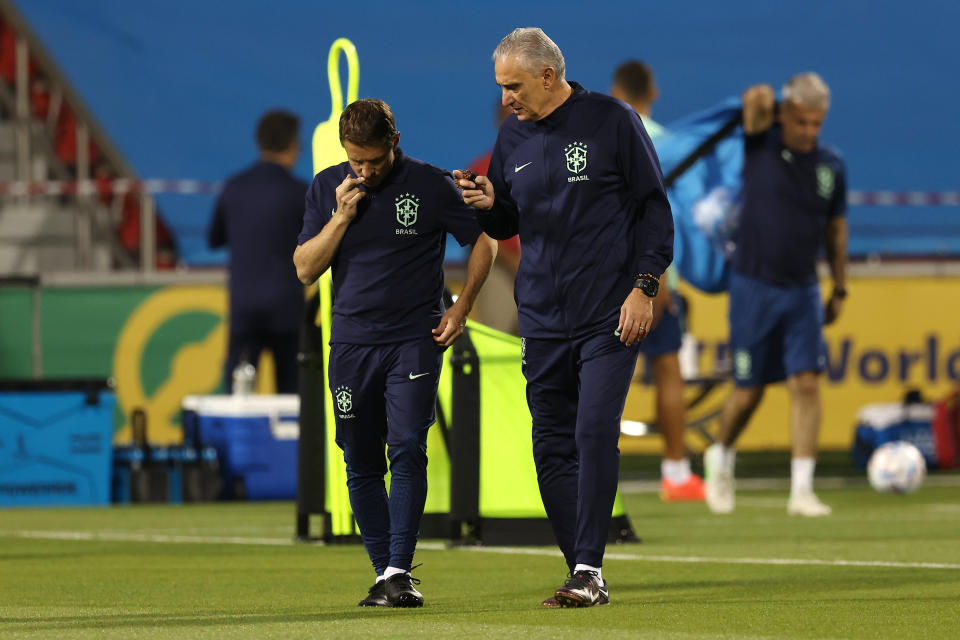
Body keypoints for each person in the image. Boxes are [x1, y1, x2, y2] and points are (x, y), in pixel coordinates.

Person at [454, 28, 673, 608]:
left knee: (593, 430)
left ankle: (588, 568)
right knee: (550, 445)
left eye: (514, 86)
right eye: (502, 88)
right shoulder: (512, 140)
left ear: (548, 76)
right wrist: (487, 203)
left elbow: (655, 208)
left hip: (609, 313)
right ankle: (580, 567)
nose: (506, 99)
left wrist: (644, 287)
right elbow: (506, 224)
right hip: (544, 318)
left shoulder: (613, 121)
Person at [294, 98, 496, 608]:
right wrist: (340, 218)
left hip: (414, 339)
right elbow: (304, 268)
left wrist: (463, 306)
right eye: (355, 160)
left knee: (407, 446)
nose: (365, 170)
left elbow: (484, 243)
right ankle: (385, 573)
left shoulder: (430, 185)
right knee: (359, 460)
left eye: (374, 161)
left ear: (395, 141)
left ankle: (399, 570)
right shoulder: (327, 187)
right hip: (351, 344)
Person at [703, 73, 848, 517]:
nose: (809, 132)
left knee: (806, 384)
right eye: (802, 121)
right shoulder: (760, 144)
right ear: (787, 114)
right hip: (754, 287)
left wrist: (839, 285)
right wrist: (773, 100)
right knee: (749, 391)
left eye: (816, 124)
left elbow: (835, 230)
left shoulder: (831, 167)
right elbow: (756, 98)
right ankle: (720, 453)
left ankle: (801, 490)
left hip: (803, 289)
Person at [611, 60, 705, 502]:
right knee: (667, 369)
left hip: (608, 276)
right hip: (656, 275)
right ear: (654, 92)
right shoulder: (666, 143)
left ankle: (588, 471)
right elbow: (662, 214)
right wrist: (657, 276)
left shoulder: (603, 135)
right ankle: (676, 471)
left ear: (616, 89)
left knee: (600, 376)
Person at [208, 110, 309, 393]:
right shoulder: (300, 192)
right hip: (288, 309)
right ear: (292, 145)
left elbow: (215, 238)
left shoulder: (234, 188)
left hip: (244, 309)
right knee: (292, 399)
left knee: (239, 397)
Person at [468, 101, 522, 335]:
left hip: (544, 265)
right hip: (500, 266)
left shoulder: (552, 163)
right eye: (508, 117)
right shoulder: (481, 168)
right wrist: (513, 263)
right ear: (498, 122)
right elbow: (476, 229)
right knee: (500, 338)